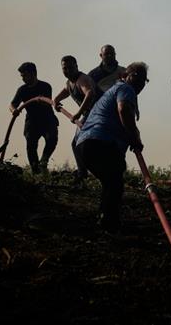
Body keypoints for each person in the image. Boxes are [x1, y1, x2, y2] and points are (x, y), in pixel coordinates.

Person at [74, 61, 149, 232]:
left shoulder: (113, 91)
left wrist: (133, 135)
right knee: (114, 181)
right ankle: (109, 223)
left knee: (111, 181)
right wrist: (134, 138)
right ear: (124, 76)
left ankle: (105, 219)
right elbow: (123, 111)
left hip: (86, 144)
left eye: (144, 79)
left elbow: (124, 115)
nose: (140, 82)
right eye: (136, 76)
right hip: (99, 142)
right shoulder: (125, 89)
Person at [52, 55, 97, 182]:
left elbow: (90, 93)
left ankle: (87, 173)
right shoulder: (69, 82)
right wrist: (56, 100)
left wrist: (78, 114)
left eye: (70, 68)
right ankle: (82, 173)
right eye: (65, 68)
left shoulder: (82, 79)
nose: (68, 71)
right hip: (89, 115)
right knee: (76, 144)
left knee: (82, 143)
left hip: (97, 114)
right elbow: (66, 91)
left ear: (76, 66)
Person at [10, 62, 59, 174]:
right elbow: (12, 104)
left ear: (34, 74)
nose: (23, 78)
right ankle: (36, 171)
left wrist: (40, 99)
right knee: (31, 146)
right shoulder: (22, 90)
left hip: (47, 119)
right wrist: (14, 110)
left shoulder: (45, 86)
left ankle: (44, 161)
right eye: (22, 76)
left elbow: (48, 103)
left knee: (52, 139)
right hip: (32, 122)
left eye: (25, 75)